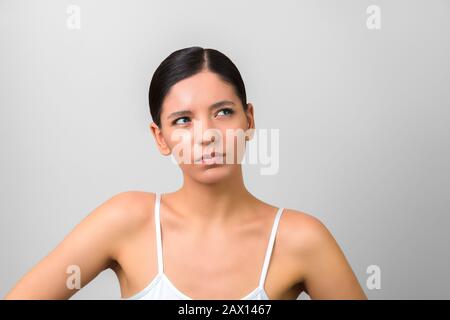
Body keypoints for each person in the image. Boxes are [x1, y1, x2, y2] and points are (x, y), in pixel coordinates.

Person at [4, 46, 367, 300]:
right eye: (183, 120)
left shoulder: (301, 239)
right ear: (160, 138)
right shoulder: (126, 220)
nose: (206, 134)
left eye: (223, 112)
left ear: (249, 119)